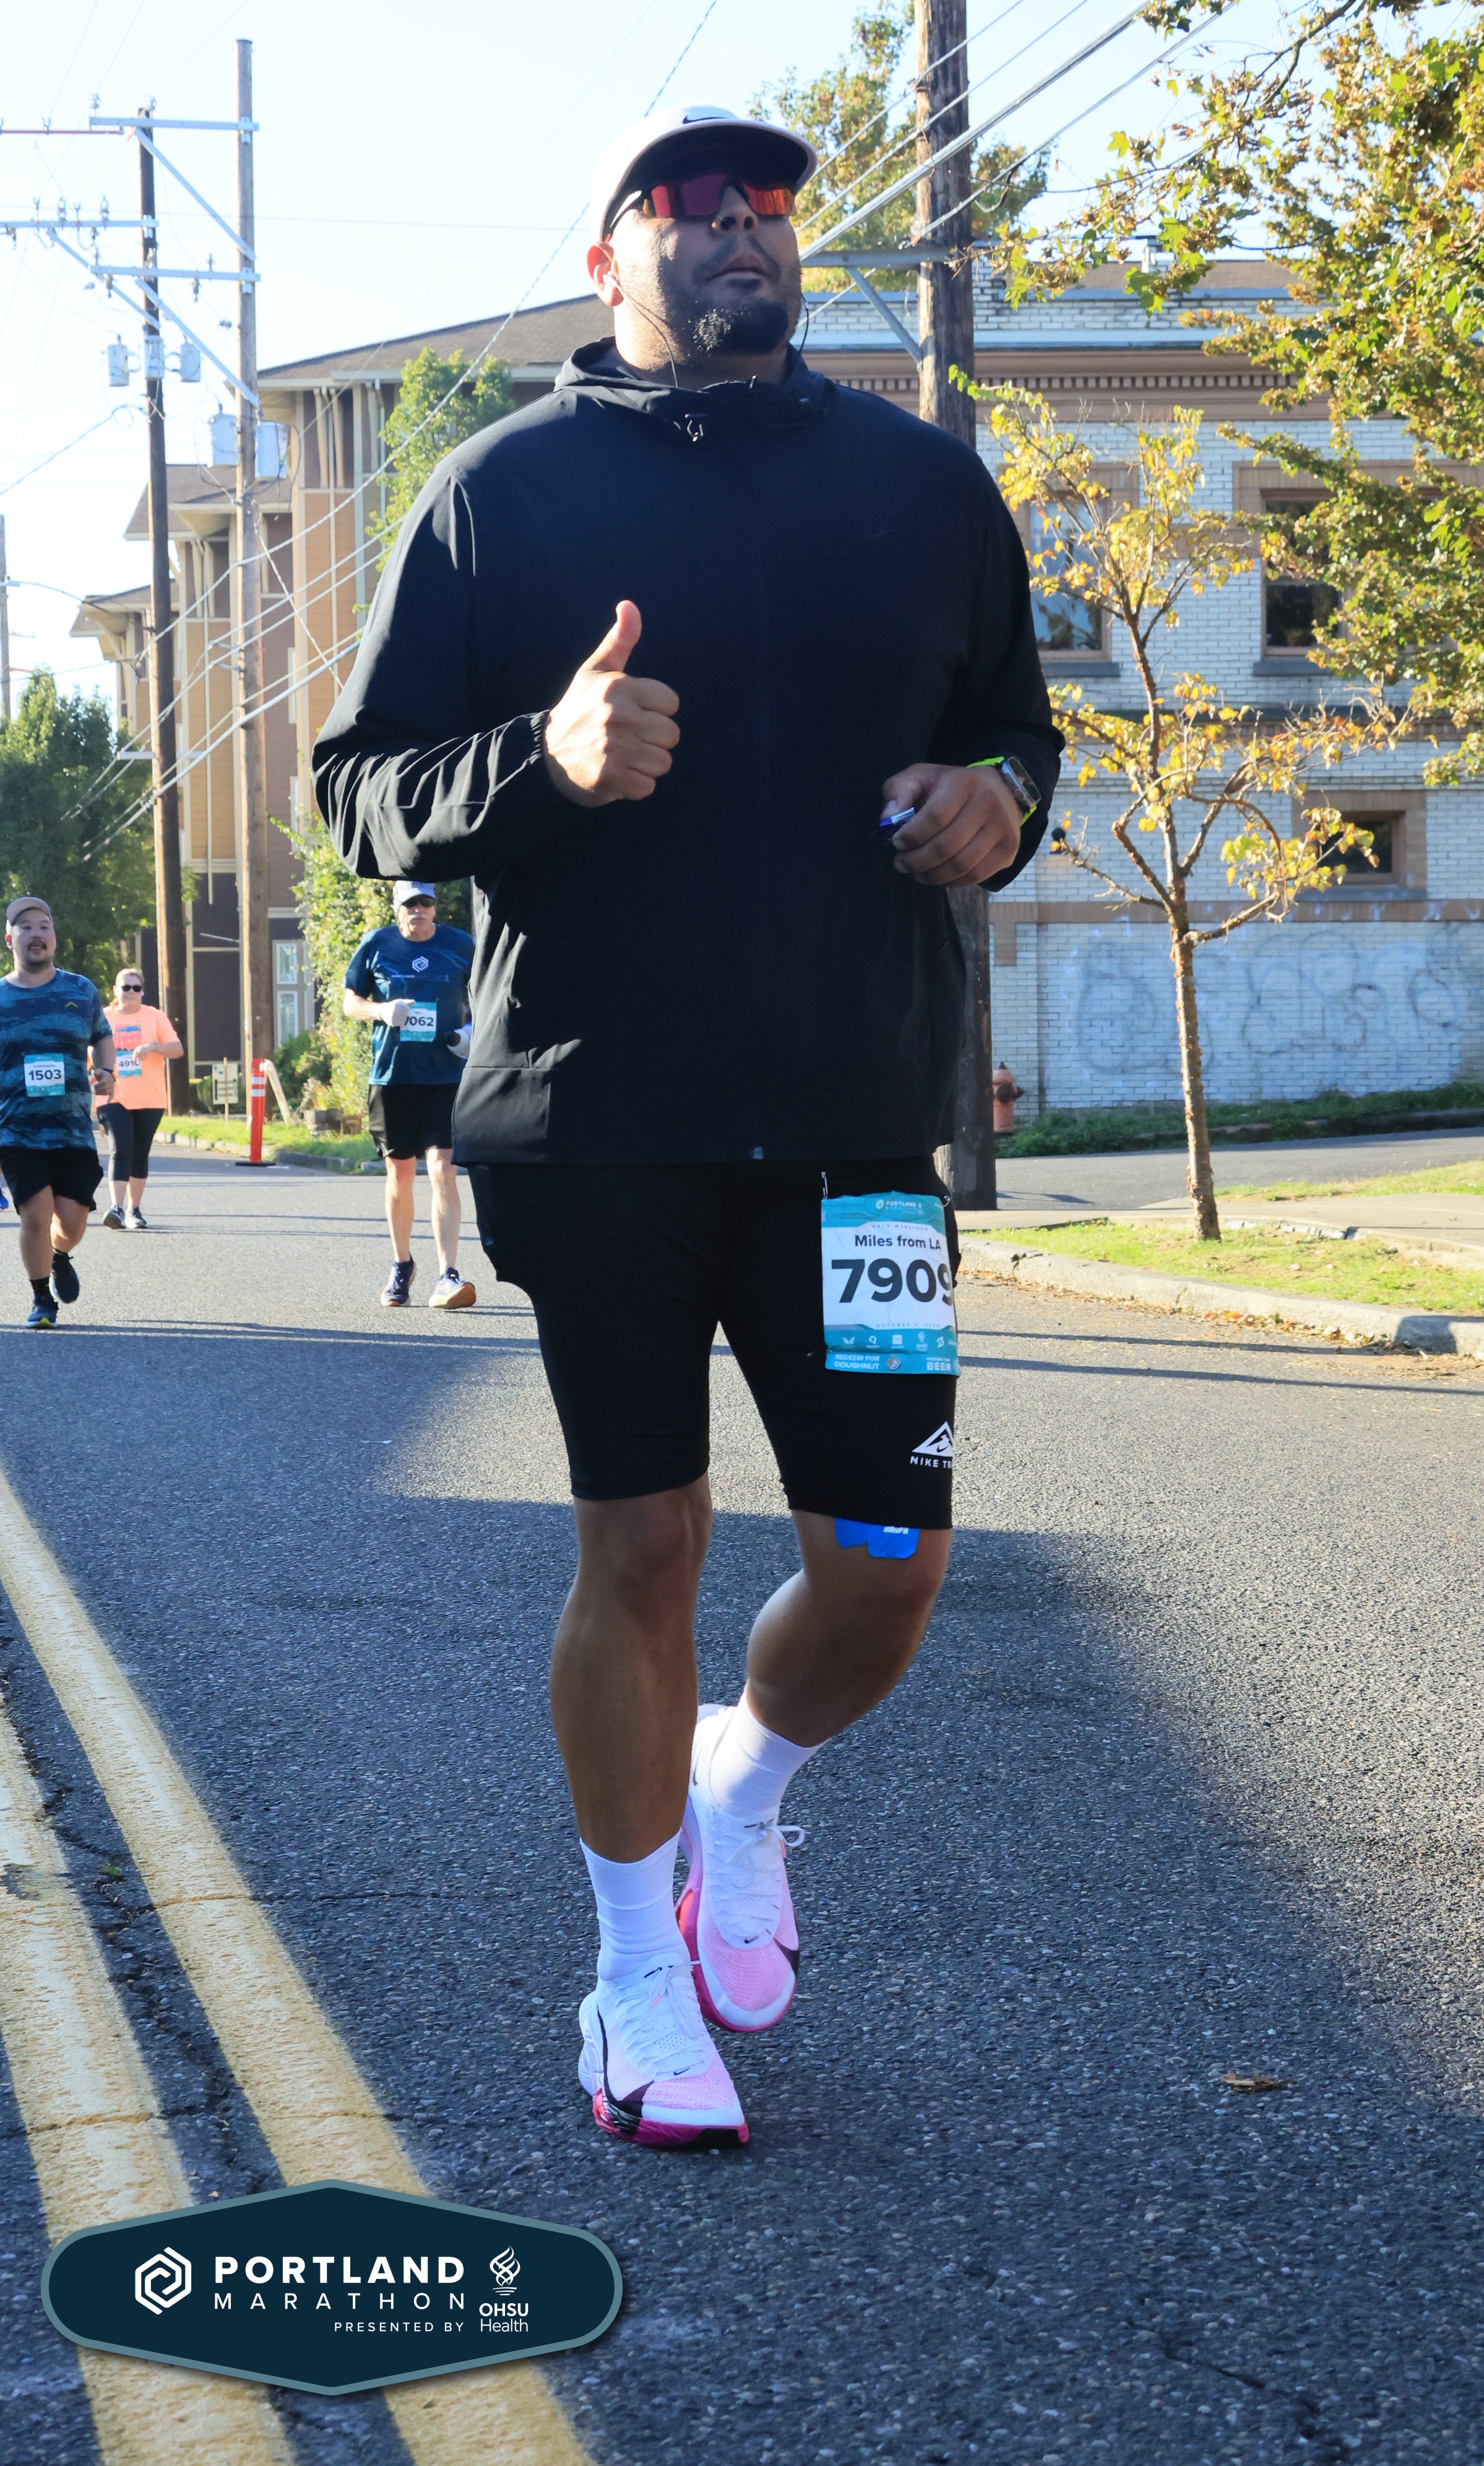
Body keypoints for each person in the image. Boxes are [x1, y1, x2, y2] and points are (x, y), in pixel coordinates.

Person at [316, 101, 1059, 2148]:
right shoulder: (501, 492)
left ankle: (744, 1778)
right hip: (596, 1123)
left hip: (858, 1126)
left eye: (770, 204)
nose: (745, 228)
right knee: (643, 1541)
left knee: (889, 1563)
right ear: (609, 258)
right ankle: (632, 1976)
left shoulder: (924, 486)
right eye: (691, 203)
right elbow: (359, 788)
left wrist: (1000, 800)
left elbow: (1014, 726)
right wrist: (541, 760)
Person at [341, 882, 477, 1309]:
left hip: (444, 1076)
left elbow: (488, 994)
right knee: (400, 1174)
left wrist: (472, 1031)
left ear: (435, 907)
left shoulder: (460, 945)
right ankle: (402, 1264)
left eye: (425, 902)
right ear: (397, 907)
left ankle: (448, 1274)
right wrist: (381, 1010)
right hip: (393, 1076)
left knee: (443, 1169)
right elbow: (350, 1002)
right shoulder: (377, 944)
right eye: (410, 903)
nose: (418, 909)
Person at [0, 896, 114, 1328]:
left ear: (54, 937)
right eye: (26, 927)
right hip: (17, 1128)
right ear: (10, 939)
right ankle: (40, 1299)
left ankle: (60, 1254)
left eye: (44, 925)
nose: (37, 934)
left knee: (72, 1220)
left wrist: (107, 1072)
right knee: (35, 1214)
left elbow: (102, 1035)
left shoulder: (80, 990)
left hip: (71, 1128)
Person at [98, 966, 183, 1227]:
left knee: (140, 1152)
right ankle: (116, 1208)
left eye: (136, 988)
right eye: (126, 987)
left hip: (150, 1097)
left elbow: (177, 1049)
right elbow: (89, 1049)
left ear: (142, 992)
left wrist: (154, 1046)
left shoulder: (154, 1017)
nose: (131, 992)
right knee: (121, 1147)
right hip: (113, 1096)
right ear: (116, 990)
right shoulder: (104, 1017)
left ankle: (133, 1211)